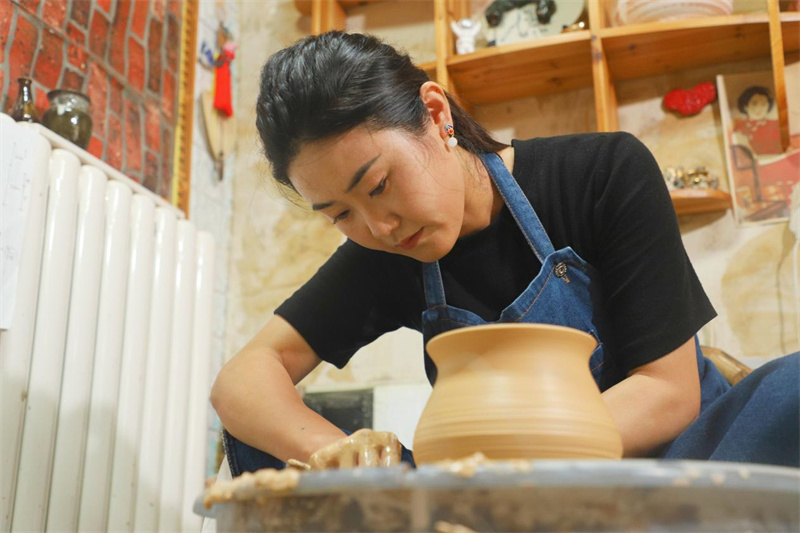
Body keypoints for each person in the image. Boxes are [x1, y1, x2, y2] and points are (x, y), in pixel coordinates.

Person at [211, 31, 799, 475]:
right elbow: (242, 380)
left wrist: (519, 467)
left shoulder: (601, 172)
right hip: (495, 502)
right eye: (339, 214)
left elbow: (667, 393)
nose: (379, 226)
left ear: (436, 115)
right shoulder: (384, 253)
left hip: (669, 463)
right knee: (260, 439)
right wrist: (348, 457)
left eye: (379, 185)